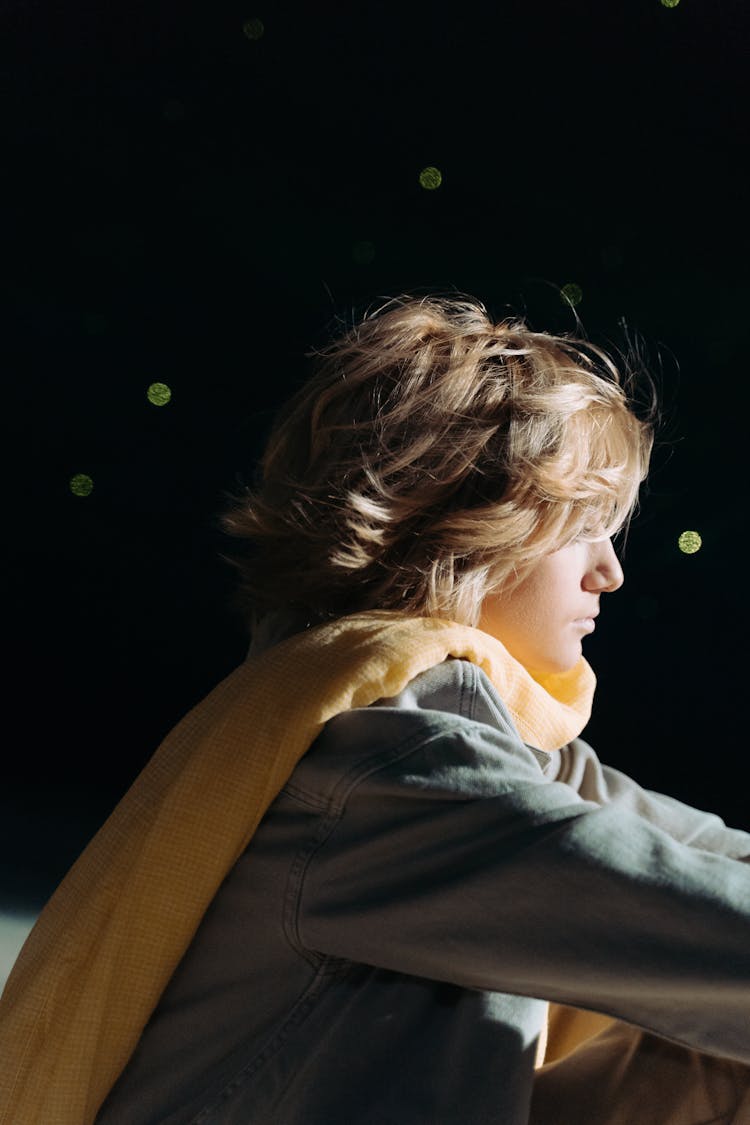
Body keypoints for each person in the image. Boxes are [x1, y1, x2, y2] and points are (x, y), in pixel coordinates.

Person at [2, 292, 748, 1125]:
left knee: (720, 1055)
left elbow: (708, 857)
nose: (608, 572)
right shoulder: (384, 754)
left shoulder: (444, 728)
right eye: (585, 524)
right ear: (466, 525)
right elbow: (706, 925)